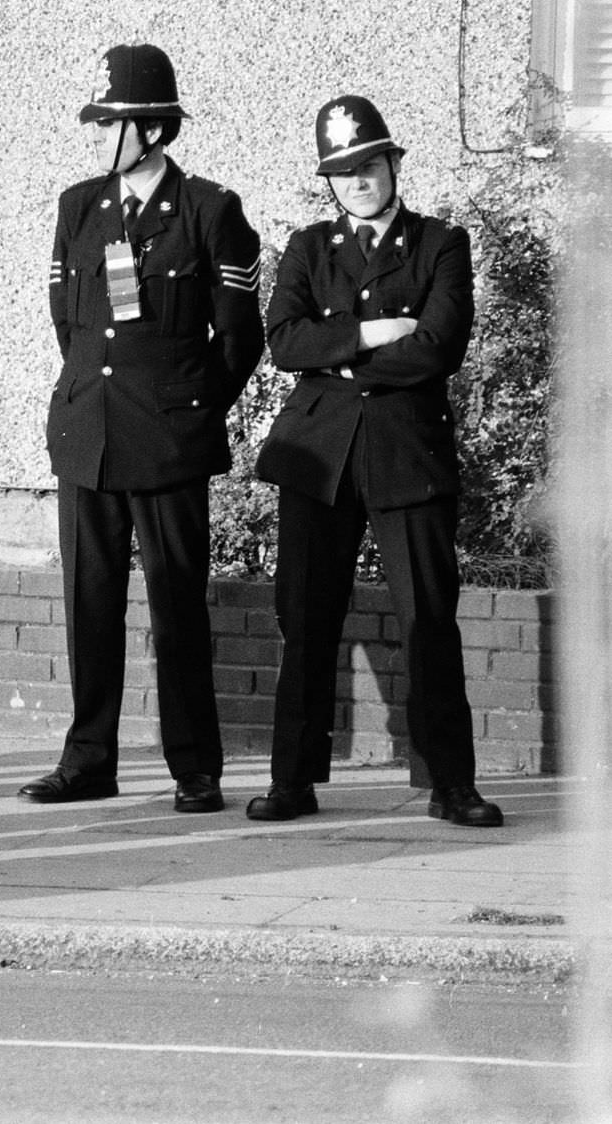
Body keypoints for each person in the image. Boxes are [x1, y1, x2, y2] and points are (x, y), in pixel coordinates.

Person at [20, 43, 263, 813]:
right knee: (88, 600)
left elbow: (238, 338)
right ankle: (88, 757)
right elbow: (68, 320)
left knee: (176, 603)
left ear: (151, 129)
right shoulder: (77, 206)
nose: (99, 138)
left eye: (110, 123)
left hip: (167, 439)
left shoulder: (208, 211)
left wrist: (186, 409)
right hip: (87, 433)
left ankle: (195, 766)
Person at [248, 96, 503, 827]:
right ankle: (292, 780)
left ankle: (449, 782)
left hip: (404, 451)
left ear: (392, 164)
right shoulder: (308, 247)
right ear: (328, 182)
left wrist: (342, 359)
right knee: (305, 617)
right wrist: (368, 332)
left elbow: (439, 346)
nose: (357, 182)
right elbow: (283, 342)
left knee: (428, 615)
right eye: (341, 172)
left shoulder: (439, 243)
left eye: (367, 166)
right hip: (317, 455)